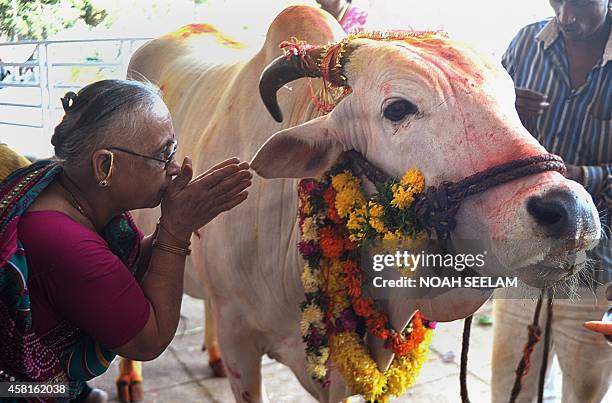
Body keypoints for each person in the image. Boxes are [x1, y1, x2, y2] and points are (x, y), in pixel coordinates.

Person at [0, 79, 252, 401]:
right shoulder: (64, 243)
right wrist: (175, 231)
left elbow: (121, 269)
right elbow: (149, 339)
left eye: (173, 149)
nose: (174, 168)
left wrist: (173, 227)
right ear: (105, 165)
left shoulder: (69, 188)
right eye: (164, 154)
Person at [492, 1, 611, 402]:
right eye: (557, 1)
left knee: (585, 390)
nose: (566, 16)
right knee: (513, 387)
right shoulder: (526, 43)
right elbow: (484, 134)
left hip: (596, 269)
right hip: (523, 257)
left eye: (578, 3)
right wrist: (504, 107)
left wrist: (583, 177)